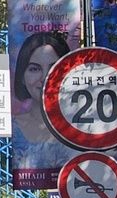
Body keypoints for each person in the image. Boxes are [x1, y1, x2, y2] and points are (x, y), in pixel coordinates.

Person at [12, 31, 78, 179]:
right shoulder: (13, 128)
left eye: (55, 68)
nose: (46, 77)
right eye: (34, 69)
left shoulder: (84, 126)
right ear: (22, 76)